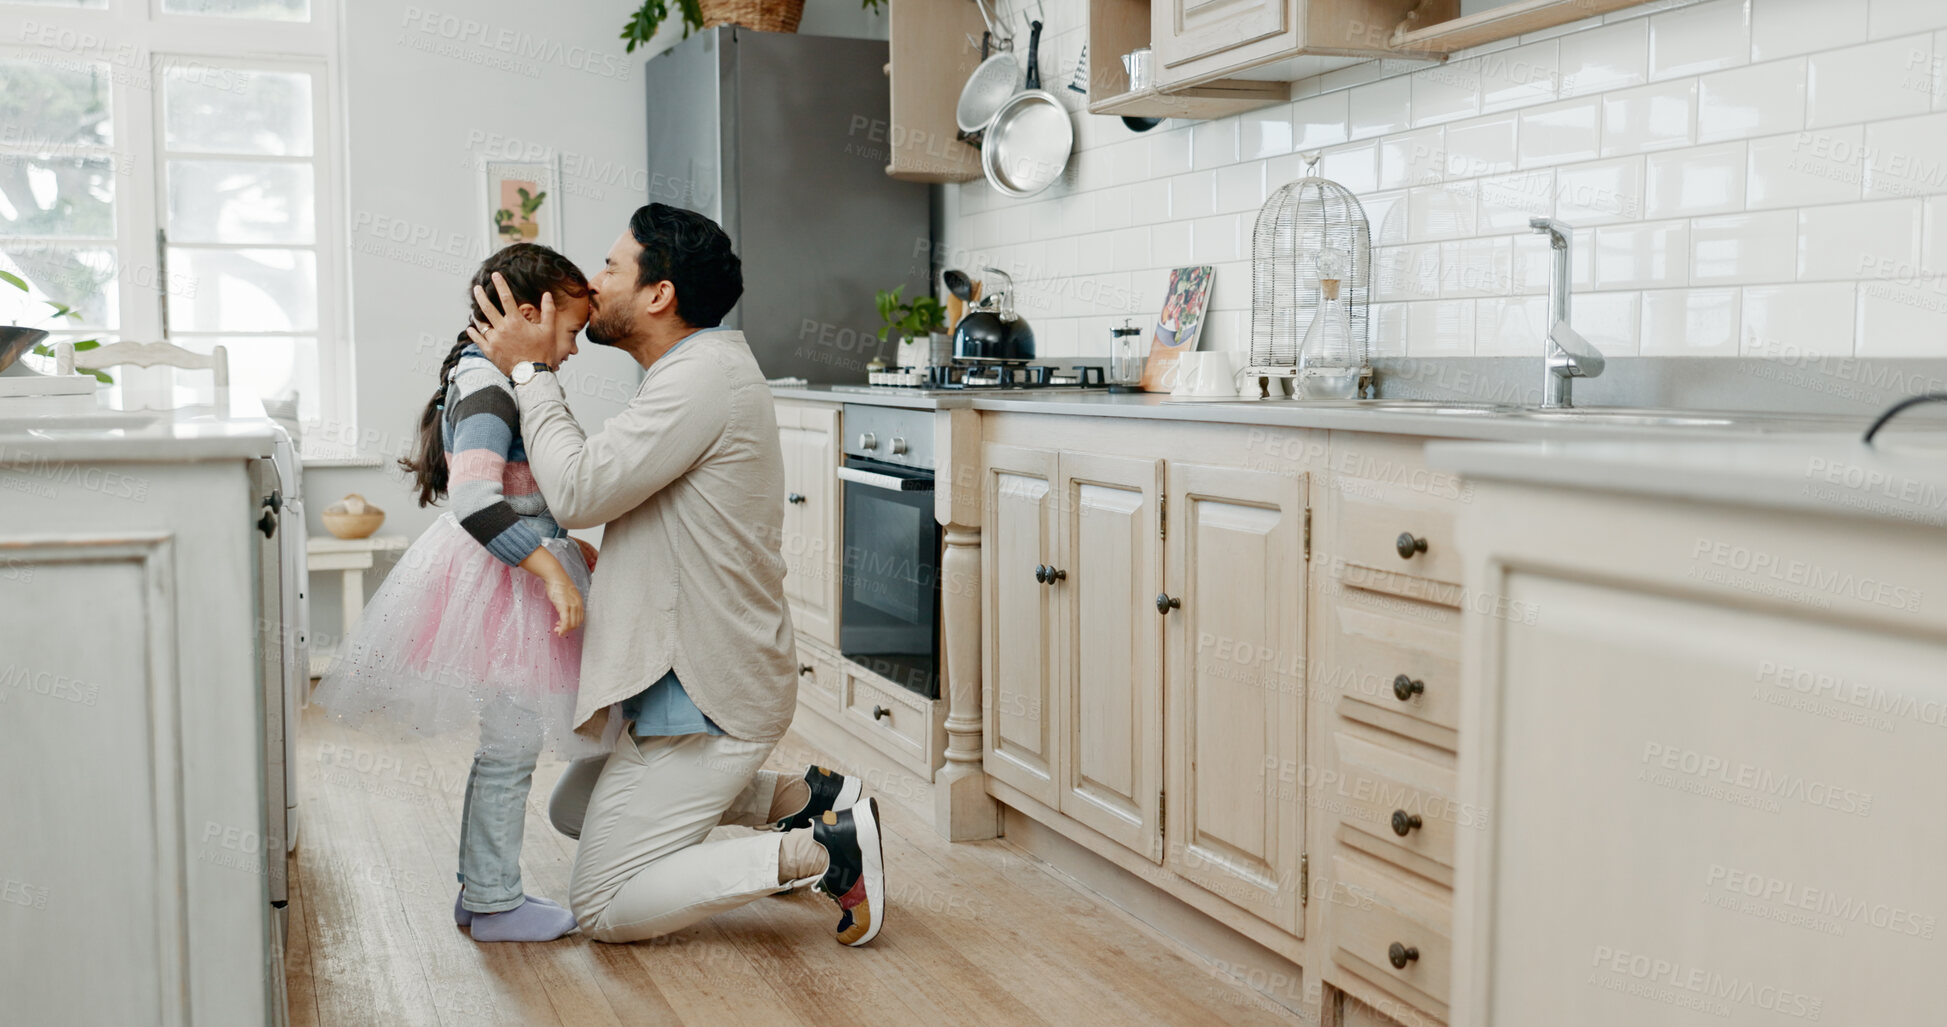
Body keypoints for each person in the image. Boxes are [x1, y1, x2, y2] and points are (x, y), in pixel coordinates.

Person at [465, 203, 887, 946]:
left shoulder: (703, 378)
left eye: (611, 266)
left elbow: (580, 488)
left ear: (658, 294)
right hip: (683, 673)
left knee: (600, 904)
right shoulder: (688, 372)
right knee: (572, 810)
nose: (593, 285)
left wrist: (529, 370)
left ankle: (824, 852)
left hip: (709, 684)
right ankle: (811, 797)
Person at [311, 243, 599, 943]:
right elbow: (475, 500)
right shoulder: (492, 387)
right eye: (571, 332)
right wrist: (552, 567)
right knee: (509, 748)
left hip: (507, 572)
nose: (575, 350)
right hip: (507, 582)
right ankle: (497, 899)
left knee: (506, 744)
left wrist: (563, 539)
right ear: (529, 314)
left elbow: (514, 486)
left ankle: (484, 890)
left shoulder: (482, 377)